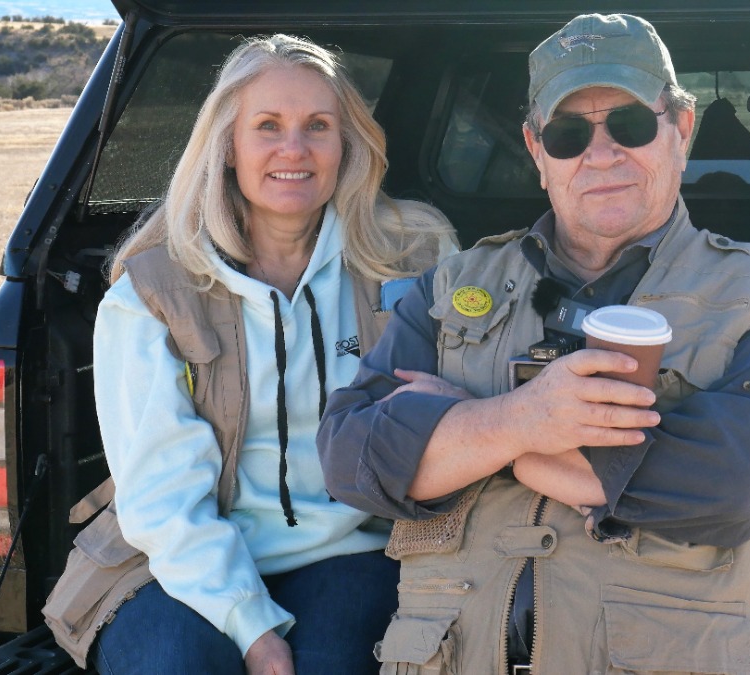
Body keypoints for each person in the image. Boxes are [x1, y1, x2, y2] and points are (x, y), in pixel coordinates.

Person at [317, 12, 750, 674]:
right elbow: (350, 456)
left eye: (630, 125)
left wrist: (470, 433)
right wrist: (522, 420)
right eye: (569, 133)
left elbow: (734, 488)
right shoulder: (452, 285)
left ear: (681, 129)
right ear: (535, 149)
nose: (600, 154)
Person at [41, 34, 455, 675]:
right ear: (227, 146)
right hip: (171, 559)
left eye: (317, 126)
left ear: (346, 144)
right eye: (267, 126)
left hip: (355, 550)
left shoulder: (412, 259)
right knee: (176, 662)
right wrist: (253, 629)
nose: (294, 149)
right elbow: (162, 499)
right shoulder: (152, 294)